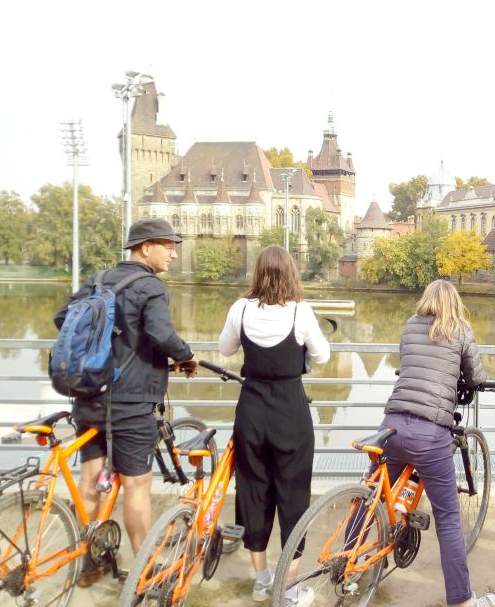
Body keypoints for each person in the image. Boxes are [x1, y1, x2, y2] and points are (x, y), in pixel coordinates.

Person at [53, 218, 196, 584]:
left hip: (88, 395)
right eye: (168, 245)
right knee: (136, 485)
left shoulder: (98, 281)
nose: (173, 253)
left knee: (91, 479)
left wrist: (106, 349)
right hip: (130, 403)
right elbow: (162, 334)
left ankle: (90, 563)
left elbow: (61, 319)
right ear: (145, 247)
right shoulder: (150, 286)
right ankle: (146, 570)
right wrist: (186, 356)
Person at [218, 245, 330, 605]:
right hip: (290, 414)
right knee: (293, 495)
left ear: (258, 274)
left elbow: (224, 349)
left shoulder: (240, 308)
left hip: (251, 412)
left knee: (253, 492)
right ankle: (291, 587)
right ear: (291, 275)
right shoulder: (301, 312)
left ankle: (262, 579)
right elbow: (323, 355)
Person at [381, 279, 495, 607]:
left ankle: (352, 563)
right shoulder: (460, 329)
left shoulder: (409, 325)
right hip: (430, 432)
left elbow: (408, 363)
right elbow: (475, 376)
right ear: (455, 302)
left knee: (374, 498)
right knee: (447, 516)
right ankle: (462, 600)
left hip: (391, 423)